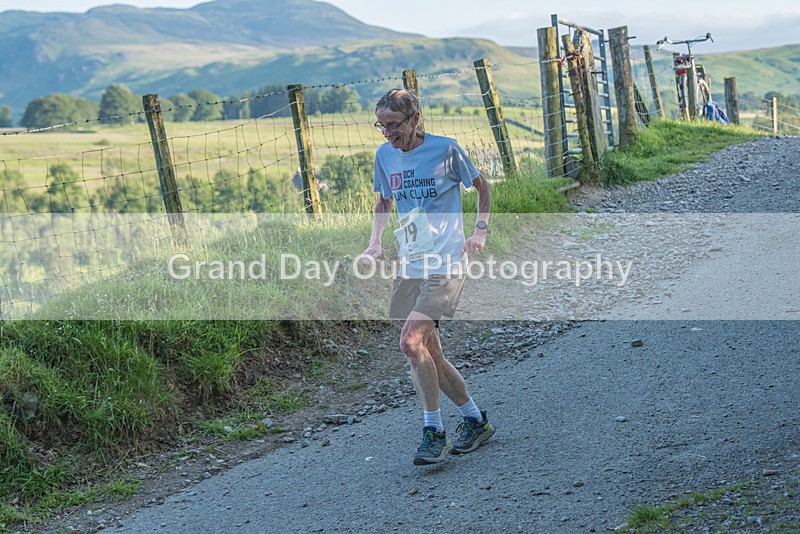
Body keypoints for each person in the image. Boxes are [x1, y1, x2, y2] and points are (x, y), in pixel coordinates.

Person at [360, 88, 494, 465]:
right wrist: (374, 243)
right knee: (428, 351)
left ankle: (433, 431)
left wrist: (480, 231)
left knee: (409, 341)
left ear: (415, 118)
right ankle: (475, 420)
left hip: (448, 263)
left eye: (393, 125)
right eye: (381, 126)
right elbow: (383, 201)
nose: (387, 133)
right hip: (411, 263)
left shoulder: (445, 149)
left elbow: (482, 186)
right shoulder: (384, 156)